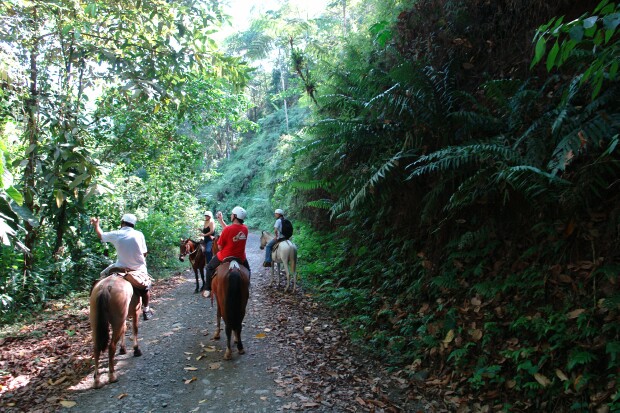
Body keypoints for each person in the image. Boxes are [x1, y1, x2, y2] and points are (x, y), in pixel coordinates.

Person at [90, 213, 154, 321]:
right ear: (133, 224)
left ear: (122, 222)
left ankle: (94, 304)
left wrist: (96, 225)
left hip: (119, 266)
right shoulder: (139, 234)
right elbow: (144, 253)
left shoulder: (117, 234)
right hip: (138, 268)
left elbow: (101, 235)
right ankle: (146, 310)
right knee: (146, 286)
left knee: (101, 276)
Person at [201, 206, 250, 298]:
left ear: (235, 216)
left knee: (209, 268)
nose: (231, 215)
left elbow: (219, 246)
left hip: (225, 256)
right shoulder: (245, 229)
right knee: (248, 270)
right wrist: (221, 221)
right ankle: (247, 287)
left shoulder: (228, 230)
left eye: (232, 214)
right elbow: (232, 230)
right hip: (240, 257)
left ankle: (207, 288)